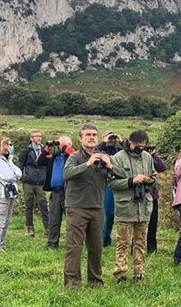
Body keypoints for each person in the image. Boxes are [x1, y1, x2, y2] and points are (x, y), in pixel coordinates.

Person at [63, 123, 114, 289]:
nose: (91, 137)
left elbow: (120, 175)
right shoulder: (75, 157)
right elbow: (67, 174)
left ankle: (95, 282)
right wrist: (87, 164)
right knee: (74, 247)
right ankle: (72, 284)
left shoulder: (103, 158)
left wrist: (110, 165)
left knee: (96, 247)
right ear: (80, 138)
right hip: (77, 207)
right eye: (88, 135)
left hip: (97, 208)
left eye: (94, 135)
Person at [109, 130, 155, 283]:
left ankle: (139, 273)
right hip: (126, 206)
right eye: (138, 146)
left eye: (144, 146)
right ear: (131, 143)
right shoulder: (118, 158)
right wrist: (131, 181)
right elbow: (112, 183)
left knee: (141, 242)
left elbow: (154, 174)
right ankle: (120, 273)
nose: (141, 149)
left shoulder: (147, 157)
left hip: (144, 205)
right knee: (123, 242)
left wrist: (150, 180)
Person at [39, 136, 75, 250]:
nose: (59, 146)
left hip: (68, 192)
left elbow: (72, 154)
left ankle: (72, 244)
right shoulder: (53, 157)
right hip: (55, 192)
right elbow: (39, 162)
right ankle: (52, 244)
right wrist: (47, 149)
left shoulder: (72, 156)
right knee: (53, 220)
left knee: (71, 221)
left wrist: (64, 146)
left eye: (62, 145)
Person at [0, 137, 22, 252]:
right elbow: (9, 176)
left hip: (10, 194)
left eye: (10, 145)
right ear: (0, 146)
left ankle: (1, 244)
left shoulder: (6, 160)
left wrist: (11, 162)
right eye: (6, 145)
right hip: (1, 195)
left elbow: (19, 173)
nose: (9, 147)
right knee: (0, 220)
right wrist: (14, 175)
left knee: (7, 220)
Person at [16, 130, 48, 237]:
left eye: (40, 136)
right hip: (28, 181)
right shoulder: (26, 151)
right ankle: (30, 228)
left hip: (41, 182)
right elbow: (20, 165)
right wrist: (20, 178)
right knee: (29, 205)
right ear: (31, 138)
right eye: (36, 136)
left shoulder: (45, 150)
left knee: (43, 205)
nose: (39, 138)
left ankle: (47, 228)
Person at [98, 131, 123, 247]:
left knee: (111, 213)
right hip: (103, 183)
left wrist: (121, 142)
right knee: (104, 212)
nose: (111, 140)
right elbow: (96, 151)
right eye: (109, 138)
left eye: (112, 138)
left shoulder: (118, 151)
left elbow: (128, 152)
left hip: (115, 183)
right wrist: (104, 141)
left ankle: (106, 238)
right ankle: (101, 238)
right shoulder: (100, 150)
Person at [146, 144, 168, 254]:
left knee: (153, 222)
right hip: (140, 195)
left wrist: (154, 155)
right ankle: (136, 246)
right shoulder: (138, 159)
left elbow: (163, 167)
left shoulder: (153, 158)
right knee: (138, 223)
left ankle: (152, 247)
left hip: (152, 194)